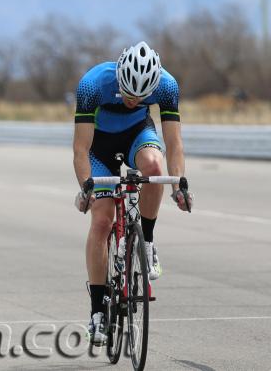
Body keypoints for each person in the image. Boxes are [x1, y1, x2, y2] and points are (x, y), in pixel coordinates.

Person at [72, 41, 194, 345]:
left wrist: (178, 184)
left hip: (138, 134)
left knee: (155, 166)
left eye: (140, 96)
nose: (132, 100)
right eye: (128, 93)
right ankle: (98, 311)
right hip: (99, 148)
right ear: (119, 77)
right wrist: (86, 185)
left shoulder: (167, 85)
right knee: (102, 221)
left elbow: (174, 144)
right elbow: (81, 148)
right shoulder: (93, 84)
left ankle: (147, 241)